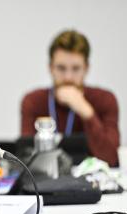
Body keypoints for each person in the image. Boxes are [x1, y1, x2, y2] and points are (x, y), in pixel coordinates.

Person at [21, 29, 120, 166]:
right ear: (50, 68)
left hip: (92, 183)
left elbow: (110, 159)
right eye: (61, 68)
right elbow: (26, 159)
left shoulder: (105, 99)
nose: (68, 77)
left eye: (76, 68)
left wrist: (86, 112)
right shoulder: (33, 101)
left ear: (86, 69)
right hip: (47, 183)